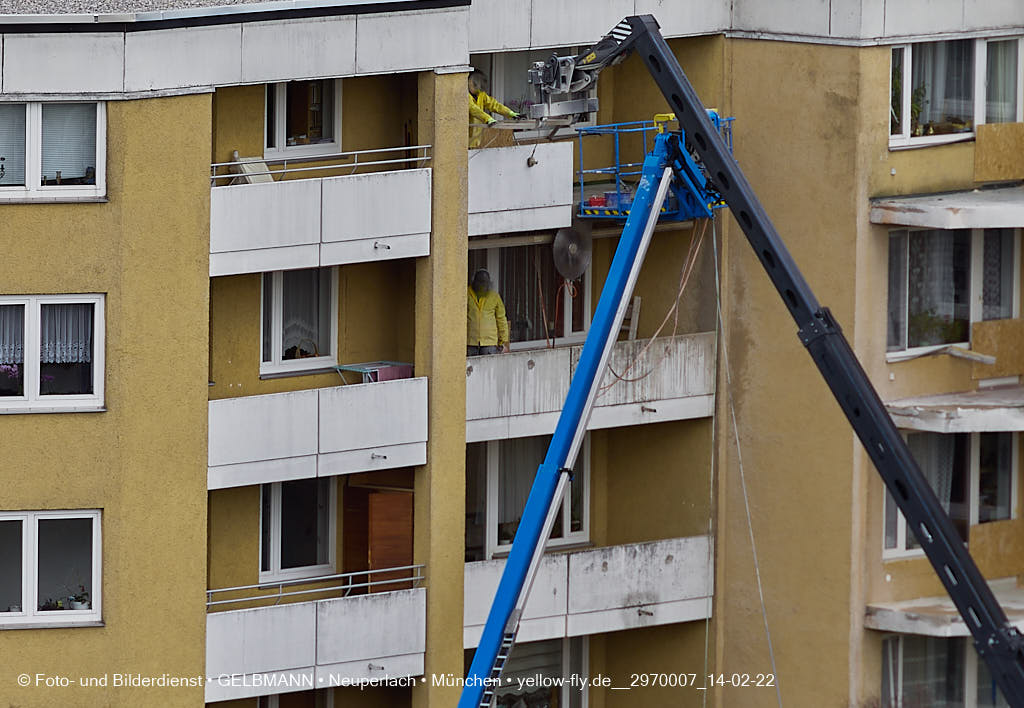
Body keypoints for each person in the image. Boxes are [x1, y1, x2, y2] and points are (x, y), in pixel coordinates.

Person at [468, 70, 520, 148]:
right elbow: (473, 109)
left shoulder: (481, 95)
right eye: (475, 83)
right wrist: (488, 119)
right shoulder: (465, 95)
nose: (477, 85)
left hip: (475, 141)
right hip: (464, 140)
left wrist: (510, 113)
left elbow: (494, 105)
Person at [467, 269, 510, 356]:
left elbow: (501, 319)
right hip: (470, 342)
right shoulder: (466, 294)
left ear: (489, 283)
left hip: (489, 343)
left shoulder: (494, 296)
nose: (482, 285)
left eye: (484, 283)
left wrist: (503, 341)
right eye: (480, 282)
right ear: (474, 282)